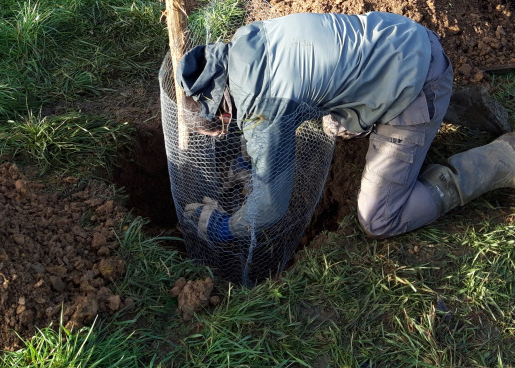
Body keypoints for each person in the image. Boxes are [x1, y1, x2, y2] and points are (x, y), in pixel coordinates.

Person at [176, 12, 515, 243]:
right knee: (333, 124)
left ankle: (502, 158)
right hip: (400, 37)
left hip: (417, 83)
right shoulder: (246, 41)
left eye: (224, 128)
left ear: (223, 114)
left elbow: (269, 207)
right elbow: (275, 104)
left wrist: (225, 227)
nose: (231, 129)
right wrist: (250, 161)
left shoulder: (261, 106)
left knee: (380, 219)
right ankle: (455, 106)